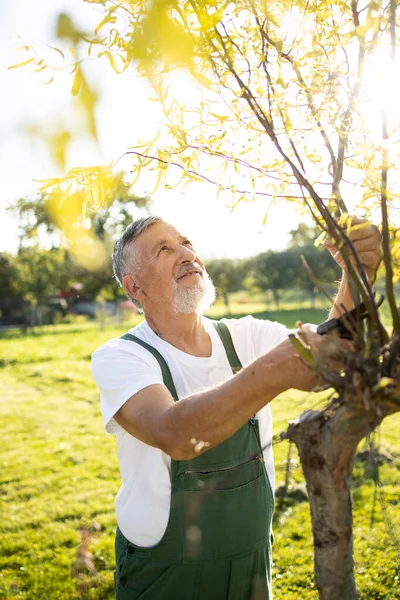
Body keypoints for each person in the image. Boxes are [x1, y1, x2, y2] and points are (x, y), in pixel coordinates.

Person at [92, 215, 381, 600]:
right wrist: (277, 368)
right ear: (135, 287)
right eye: (164, 249)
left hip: (252, 566)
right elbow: (175, 434)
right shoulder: (122, 356)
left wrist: (358, 273)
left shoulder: (244, 335)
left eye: (187, 243)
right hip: (165, 575)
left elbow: (332, 353)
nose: (186, 255)